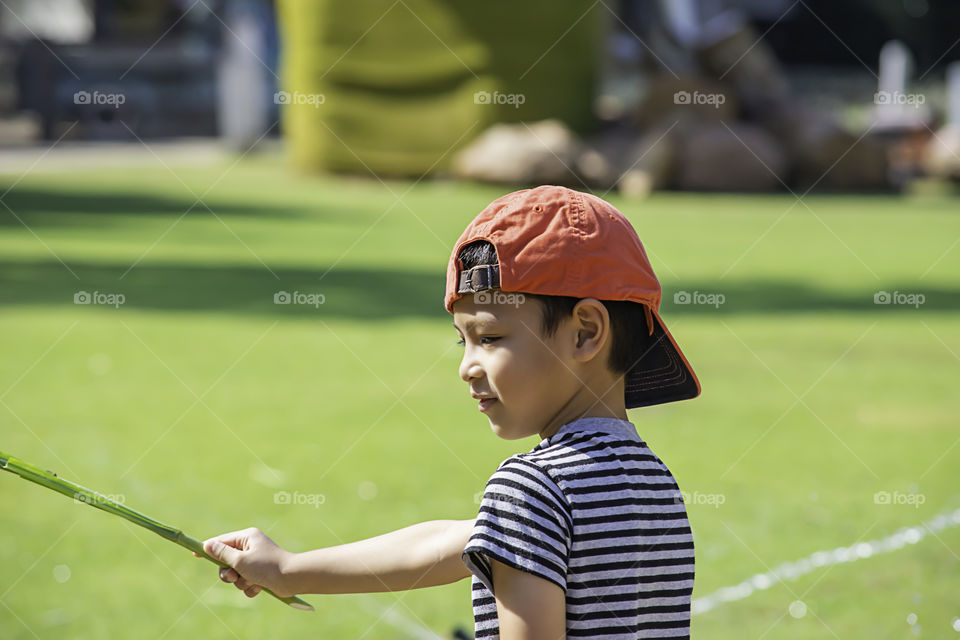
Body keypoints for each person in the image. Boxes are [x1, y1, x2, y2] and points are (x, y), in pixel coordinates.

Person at [200, 185, 701, 638]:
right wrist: (287, 569)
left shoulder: (533, 490)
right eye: (462, 341)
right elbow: (448, 542)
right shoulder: (650, 482)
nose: (467, 367)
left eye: (490, 338)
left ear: (585, 331)